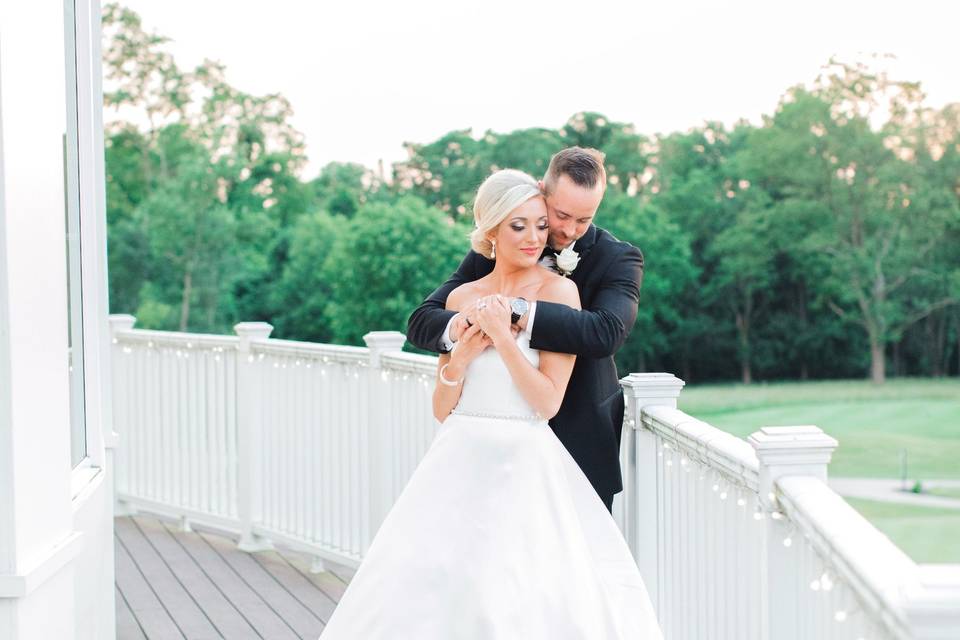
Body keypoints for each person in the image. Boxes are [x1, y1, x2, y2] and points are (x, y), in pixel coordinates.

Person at [319, 169, 661, 639]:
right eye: (554, 216)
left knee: (548, 585)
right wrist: (460, 346)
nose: (558, 232)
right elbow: (425, 328)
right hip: (462, 457)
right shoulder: (472, 286)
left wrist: (508, 325)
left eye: (579, 220)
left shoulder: (598, 269)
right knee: (445, 583)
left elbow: (603, 335)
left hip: (557, 445)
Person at [407, 147, 644, 511]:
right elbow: (424, 320)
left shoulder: (618, 258)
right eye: (561, 214)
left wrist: (512, 312)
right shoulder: (504, 241)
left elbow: (606, 333)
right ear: (541, 190)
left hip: (579, 436)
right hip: (493, 445)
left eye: (584, 220)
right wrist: (470, 324)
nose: (568, 230)